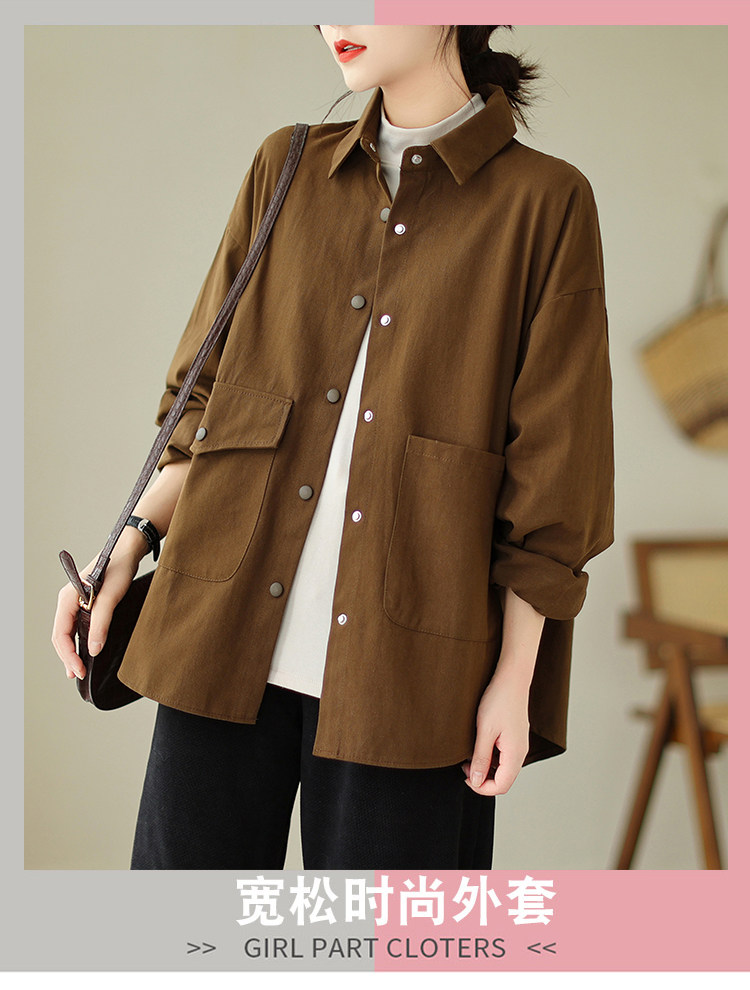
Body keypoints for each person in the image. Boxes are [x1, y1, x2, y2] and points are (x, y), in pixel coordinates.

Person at [52, 25, 615, 869]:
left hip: (414, 673)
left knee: (388, 937)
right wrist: (128, 542)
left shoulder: (547, 204)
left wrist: (514, 678)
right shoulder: (285, 167)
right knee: (178, 931)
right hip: (221, 632)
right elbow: (204, 404)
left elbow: (556, 474)